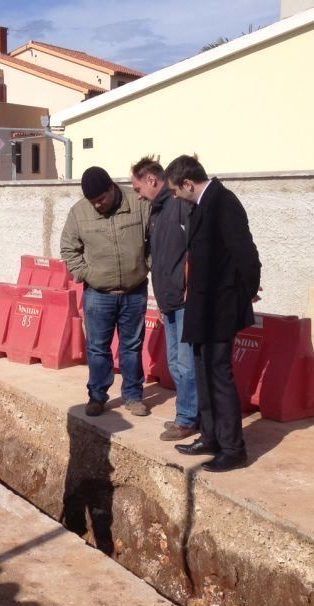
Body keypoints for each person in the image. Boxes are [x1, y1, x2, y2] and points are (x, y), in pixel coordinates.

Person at [165, 155, 261, 472]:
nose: (175, 196)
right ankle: (211, 437)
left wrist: (245, 293)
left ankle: (233, 448)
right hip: (201, 306)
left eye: (176, 191)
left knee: (219, 376)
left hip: (220, 307)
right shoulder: (200, 206)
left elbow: (246, 253)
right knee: (202, 372)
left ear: (188, 184)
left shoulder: (224, 203)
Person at [61, 166, 152, 417]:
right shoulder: (79, 213)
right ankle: (97, 396)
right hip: (98, 295)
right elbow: (69, 249)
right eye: (93, 202)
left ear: (112, 188)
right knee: (98, 348)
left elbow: (154, 239)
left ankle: (133, 396)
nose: (97, 205)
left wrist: (147, 266)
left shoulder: (138, 204)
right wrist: (86, 274)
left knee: (131, 346)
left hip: (134, 292)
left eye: (101, 199)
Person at [130, 157, 199, 441]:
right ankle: (185, 414)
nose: (137, 194)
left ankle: (189, 418)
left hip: (183, 302)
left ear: (151, 180)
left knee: (185, 364)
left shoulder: (179, 207)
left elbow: (193, 251)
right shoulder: (157, 213)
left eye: (137, 187)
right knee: (175, 363)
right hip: (168, 301)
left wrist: (187, 290)